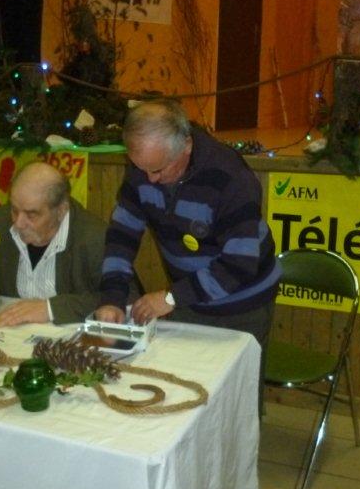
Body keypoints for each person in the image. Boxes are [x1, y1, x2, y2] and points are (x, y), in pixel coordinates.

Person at [95, 99, 282, 410]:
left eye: (158, 169)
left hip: (244, 304)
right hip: (190, 297)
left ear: (186, 146)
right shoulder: (145, 168)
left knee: (235, 404)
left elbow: (239, 266)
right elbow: (121, 235)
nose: (149, 179)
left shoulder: (231, 177)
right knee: (187, 395)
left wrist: (171, 298)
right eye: (140, 168)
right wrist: (112, 297)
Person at [0, 161, 112, 326]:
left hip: (67, 334)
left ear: (61, 211)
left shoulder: (95, 237)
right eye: (14, 210)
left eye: (32, 214)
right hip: (8, 332)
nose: (18, 223)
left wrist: (51, 308)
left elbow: (121, 298)